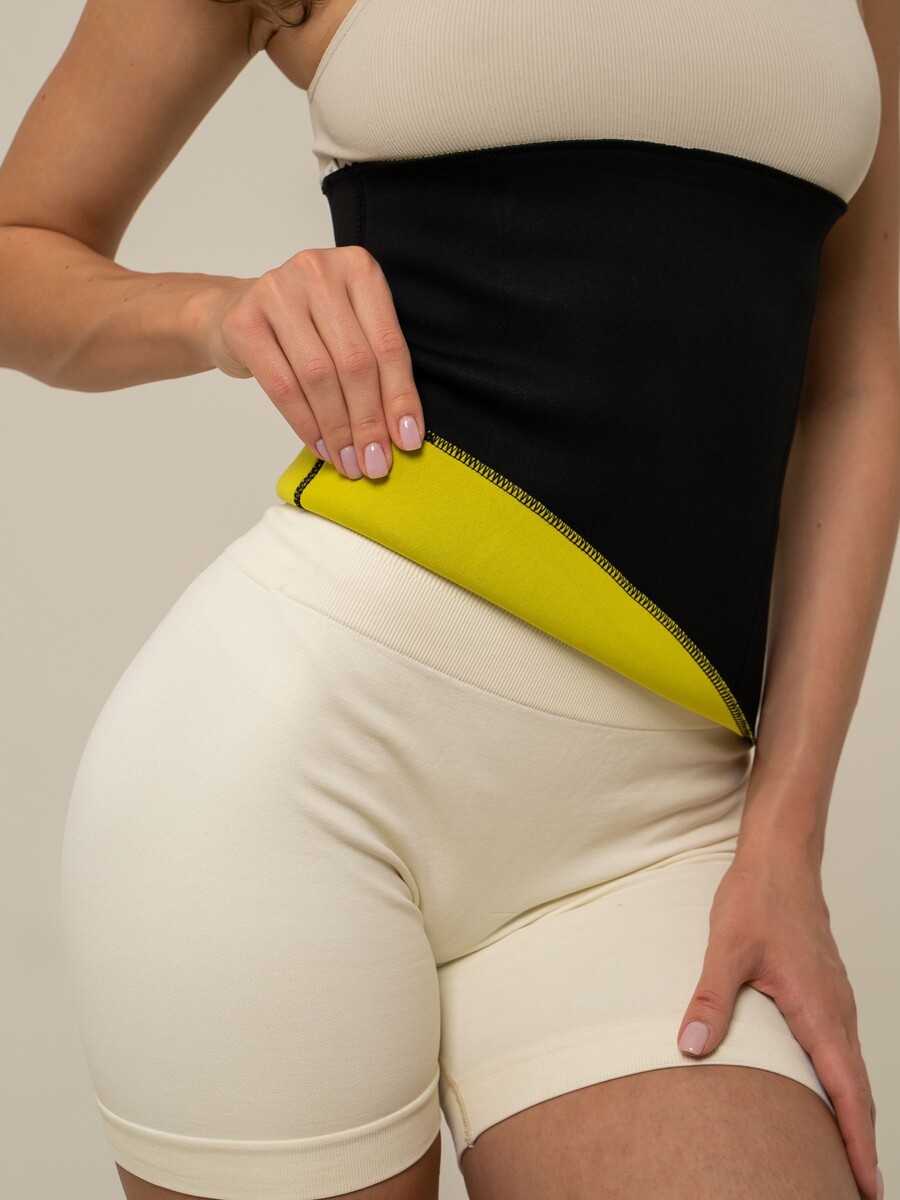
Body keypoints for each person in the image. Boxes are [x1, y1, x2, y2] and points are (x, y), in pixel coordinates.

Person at [0, 1, 895, 1197]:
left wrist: (785, 840)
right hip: (295, 772)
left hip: (663, 828)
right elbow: (20, 244)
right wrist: (217, 314)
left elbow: (861, 374)